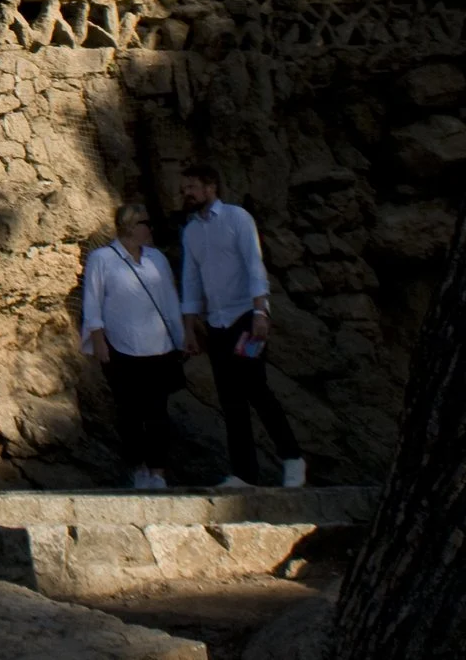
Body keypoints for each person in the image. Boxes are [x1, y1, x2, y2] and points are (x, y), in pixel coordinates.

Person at [178, 164, 306, 488]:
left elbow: (254, 265)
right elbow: (191, 280)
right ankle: (244, 474)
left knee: (257, 389)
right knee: (230, 398)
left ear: (211, 187)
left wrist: (261, 312)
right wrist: (189, 328)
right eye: (184, 188)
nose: (187, 194)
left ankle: (292, 458)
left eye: (192, 187)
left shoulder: (237, 218)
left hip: (246, 317)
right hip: (217, 323)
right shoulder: (191, 231)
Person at [81, 199, 186, 489]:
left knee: (157, 413)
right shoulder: (103, 259)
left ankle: (158, 471)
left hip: (159, 349)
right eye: (145, 224)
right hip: (120, 348)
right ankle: (138, 468)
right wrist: (98, 341)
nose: (150, 229)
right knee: (129, 412)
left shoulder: (157, 259)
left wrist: (181, 338)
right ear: (129, 227)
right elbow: (92, 301)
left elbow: (169, 301)